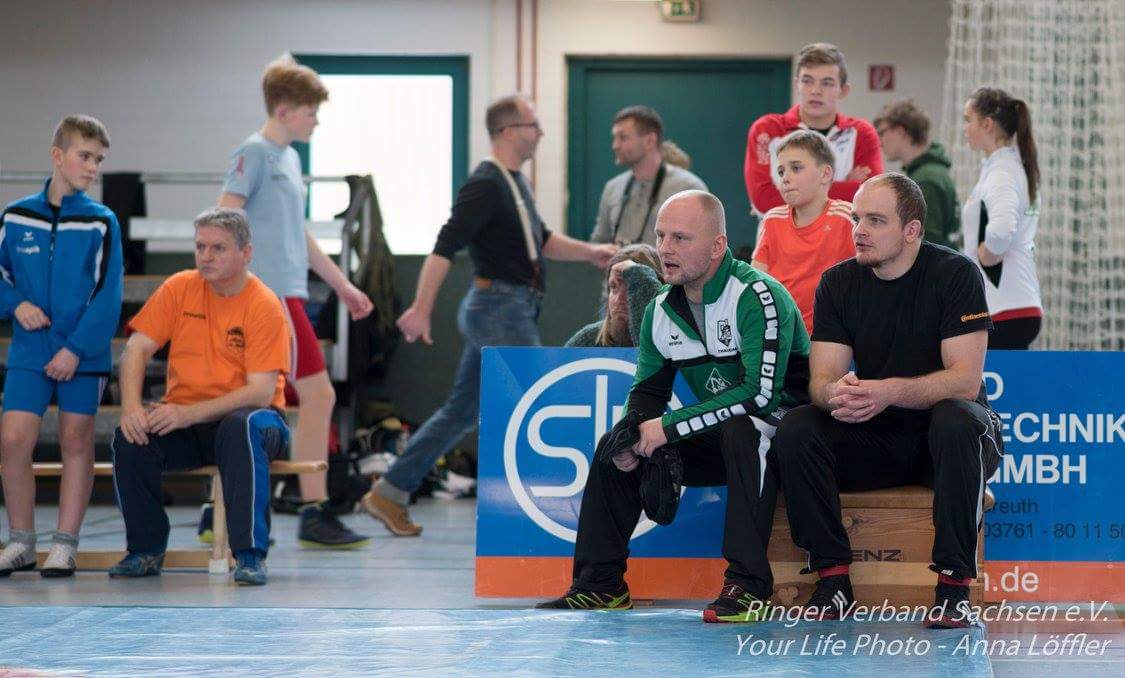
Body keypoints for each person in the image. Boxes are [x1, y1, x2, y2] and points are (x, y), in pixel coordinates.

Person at [539, 190, 811, 623]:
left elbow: (759, 396)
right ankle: (600, 585)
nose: (665, 248)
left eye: (681, 238)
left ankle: (748, 587)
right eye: (661, 236)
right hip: (725, 433)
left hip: (788, 436)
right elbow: (647, 395)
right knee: (615, 445)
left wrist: (667, 428)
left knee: (744, 429)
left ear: (717, 246)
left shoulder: (758, 295)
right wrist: (633, 437)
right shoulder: (660, 310)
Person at [361, 95, 617, 536]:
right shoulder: (485, 183)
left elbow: (541, 240)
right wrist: (421, 308)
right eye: (534, 125)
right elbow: (445, 245)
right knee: (538, 398)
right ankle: (564, 509)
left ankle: (390, 491)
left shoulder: (513, 183)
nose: (540, 133)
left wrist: (590, 252)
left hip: (510, 306)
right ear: (509, 131)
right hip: (499, 307)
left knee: (461, 410)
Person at [772, 173, 1002, 629]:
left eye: (875, 221)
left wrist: (887, 391)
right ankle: (833, 581)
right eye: (857, 219)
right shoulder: (838, 282)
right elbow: (821, 380)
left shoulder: (955, 273)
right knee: (798, 427)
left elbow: (964, 382)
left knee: (956, 419)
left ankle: (954, 588)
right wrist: (838, 394)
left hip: (948, 442)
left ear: (911, 230)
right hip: (880, 437)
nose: (859, 230)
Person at [219, 54, 371, 548]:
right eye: (310, 113)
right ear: (284, 111)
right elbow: (224, 216)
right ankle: (312, 509)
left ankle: (219, 511)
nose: (315, 122)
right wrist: (241, 286)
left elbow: (298, 234)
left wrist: (342, 285)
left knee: (271, 400)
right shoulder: (255, 152)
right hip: (268, 297)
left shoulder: (287, 158)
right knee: (314, 395)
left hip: (289, 294)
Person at [109, 207, 292, 586]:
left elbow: (260, 392)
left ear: (246, 253)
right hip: (189, 420)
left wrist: (188, 414)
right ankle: (145, 550)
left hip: (257, 421)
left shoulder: (263, 303)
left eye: (218, 248)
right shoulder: (179, 287)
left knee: (240, 427)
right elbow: (136, 349)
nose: (206, 256)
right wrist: (131, 408)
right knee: (131, 437)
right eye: (200, 247)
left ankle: (249, 555)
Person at [0, 115, 124, 578]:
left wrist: (75, 349)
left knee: (76, 439)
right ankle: (21, 542)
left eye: (99, 160)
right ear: (57, 156)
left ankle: (65, 545)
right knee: (13, 439)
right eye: (84, 156)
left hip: (82, 354)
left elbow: (108, 295)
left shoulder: (102, 221)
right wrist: (16, 303)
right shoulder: (15, 216)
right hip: (30, 351)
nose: (93, 167)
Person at [744, 42, 883, 215]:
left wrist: (794, 191)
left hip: (843, 233)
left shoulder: (862, 133)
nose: (816, 91)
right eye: (807, 81)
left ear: (843, 90)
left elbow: (872, 196)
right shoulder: (767, 130)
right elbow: (764, 199)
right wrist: (844, 186)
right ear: (797, 84)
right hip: (778, 233)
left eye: (827, 83)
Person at [960, 87, 1043, 349]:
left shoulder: (1002, 172)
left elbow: (1002, 229)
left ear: (987, 124)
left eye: (968, 120)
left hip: (1005, 307)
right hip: (1012, 304)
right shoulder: (1005, 168)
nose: (964, 128)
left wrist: (987, 254)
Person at [751, 130, 855, 333]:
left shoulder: (847, 217)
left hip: (833, 336)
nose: (785, 178)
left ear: (825, 174)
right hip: (781, 334)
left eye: (796, 168)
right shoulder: (772, 220)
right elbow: (755, 283)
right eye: (781, 172)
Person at [590, 106, 707, 246]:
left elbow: (703, 246)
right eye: (615, 138)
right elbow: (598, 243)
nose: (615, 145)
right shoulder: (612, 187)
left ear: (650, 141)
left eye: (623, 137)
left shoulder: (689, 188)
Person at [874, 99, 960, 250]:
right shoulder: (929, 173)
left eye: (882, 133)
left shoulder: (926, 180)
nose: (879, 142)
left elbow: (928, 243)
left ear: (900, 131)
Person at [565, 244, 664, 347]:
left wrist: (640, 275)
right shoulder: (588, 341)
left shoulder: (673, 338)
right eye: (614, 287)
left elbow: (651, 350)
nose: (618, 299)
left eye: (631, 288)